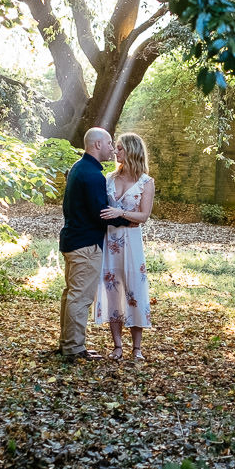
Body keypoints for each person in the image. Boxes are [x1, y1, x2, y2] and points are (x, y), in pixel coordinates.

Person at [58, 127, 132, 362]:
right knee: (80, 298)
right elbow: (100, 213)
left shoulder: (78, 168)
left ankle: (68, 344)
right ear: (97, 144)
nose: (112, 148)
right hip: (86, 245)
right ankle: (73, 348)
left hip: (72, 240)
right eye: (109, 143)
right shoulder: (92, 175)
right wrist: (127, 219)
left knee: (71, 295)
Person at [94, 132, 155, 361]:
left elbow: (143, 216)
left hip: (131, 243)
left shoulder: (146, 182)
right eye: (115, 147)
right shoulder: (108, 178)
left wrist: (120, 212)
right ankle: (117, 346)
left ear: (131, 151)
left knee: (134, 291)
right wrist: (121, 216)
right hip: (110, 240)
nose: (115, 152)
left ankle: (137, 348)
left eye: (120, 148)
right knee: (113, 291)